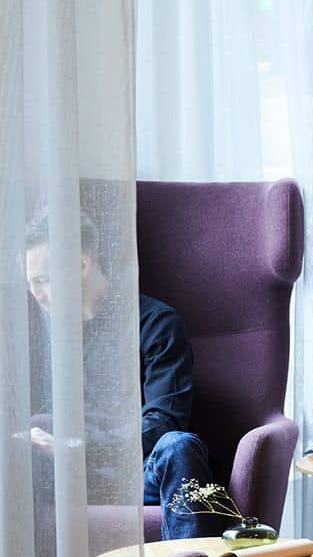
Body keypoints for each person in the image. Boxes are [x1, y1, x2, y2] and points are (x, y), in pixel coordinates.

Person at [25, 209, 216, 539]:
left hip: (141, 476)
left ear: (82, 265)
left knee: (178, 446)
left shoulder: (156, 323)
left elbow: (164, 422)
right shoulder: (45, 335)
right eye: (31, 284)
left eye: (43, 280)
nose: (36, 295)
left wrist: (79, 446)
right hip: (71, 475)